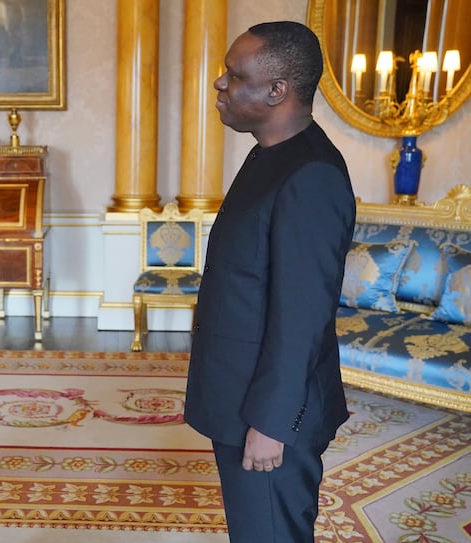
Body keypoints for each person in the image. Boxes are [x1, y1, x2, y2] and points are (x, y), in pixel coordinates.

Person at [184, 21, 355, 543]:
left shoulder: (311, 175)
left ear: (277, 91)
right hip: (242, 397)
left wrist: (272, 423)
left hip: (272, 416)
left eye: (234, 76)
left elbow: (302, 316)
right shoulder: (269, 154)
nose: (219, 84)